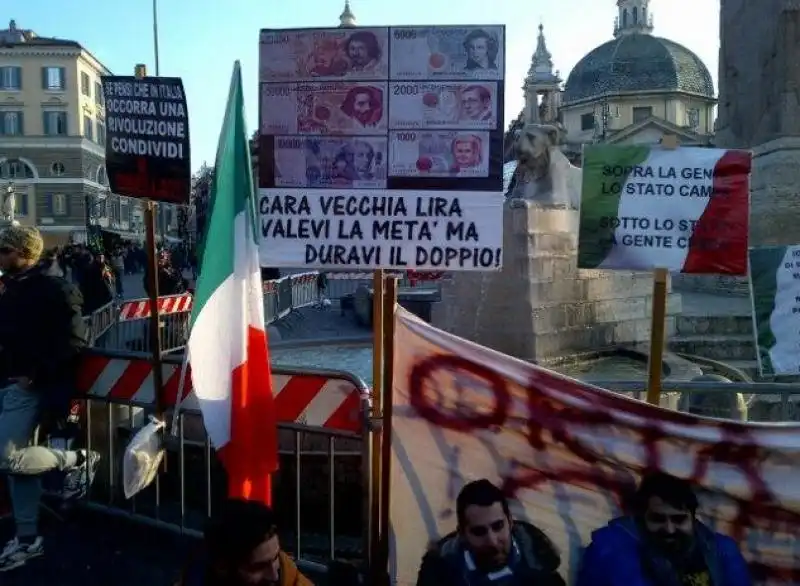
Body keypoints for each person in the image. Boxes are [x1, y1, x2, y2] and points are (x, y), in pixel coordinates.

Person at [0, 226, 100, 572]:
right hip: (11, 385)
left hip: (31, 387)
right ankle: (27, 538)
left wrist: (35, 376)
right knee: (16, 469)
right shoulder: (11, 290)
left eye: (4, 250)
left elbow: (73, 341)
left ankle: (78, 459)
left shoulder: (57, 289)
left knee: (9, 458)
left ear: (23, 253)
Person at [576, 472, 752, 586]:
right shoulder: (611, 549)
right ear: (641, 518)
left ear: (693, 517)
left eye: (678, 519)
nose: (669, 529)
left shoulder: (720, 550)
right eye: (658, 519)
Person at [416, 479, 565, 586]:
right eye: (479, 532)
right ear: (462, 534)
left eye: (498, 526)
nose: (492, 541)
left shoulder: (542, 569)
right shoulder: (437, 572)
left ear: (510, 522)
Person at [176, 498, 313, 586]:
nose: (274, 575)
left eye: (276, 557)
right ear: (222, 566)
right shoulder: (196, 577)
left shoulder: (290, 578)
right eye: (258, 567)